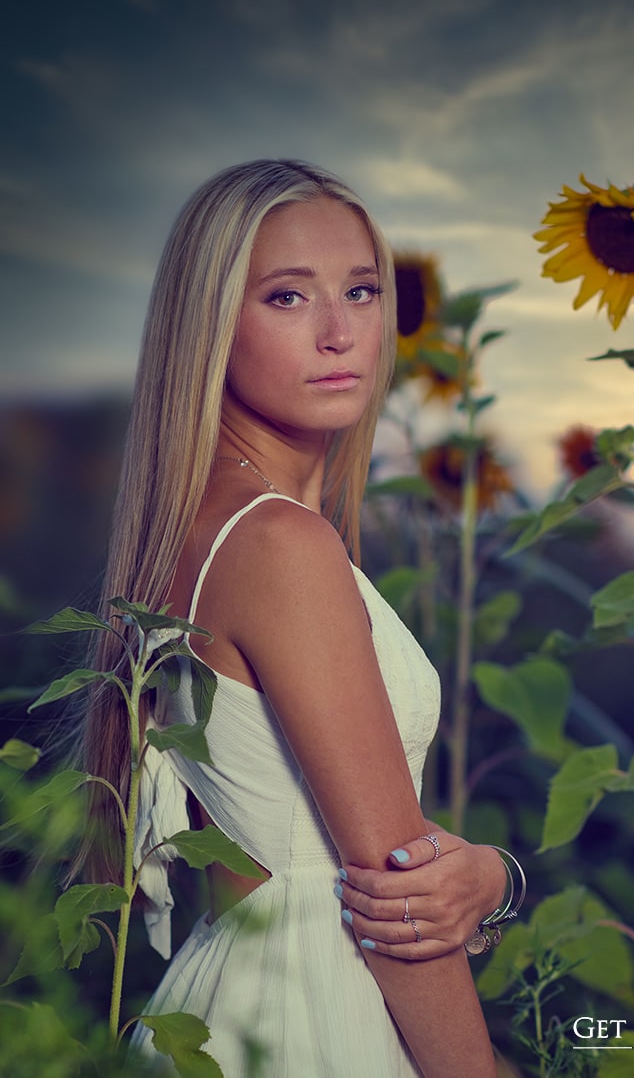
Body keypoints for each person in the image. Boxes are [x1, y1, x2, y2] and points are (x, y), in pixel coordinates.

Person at [80, 159, 515, 1076]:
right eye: (286, 297)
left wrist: (488, 877)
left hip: (229, 999)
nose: (338, 332)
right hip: (316, 1011)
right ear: (210, 326)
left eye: (361, 291)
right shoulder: (280, 544)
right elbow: (396, 906)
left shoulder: (201, 527)